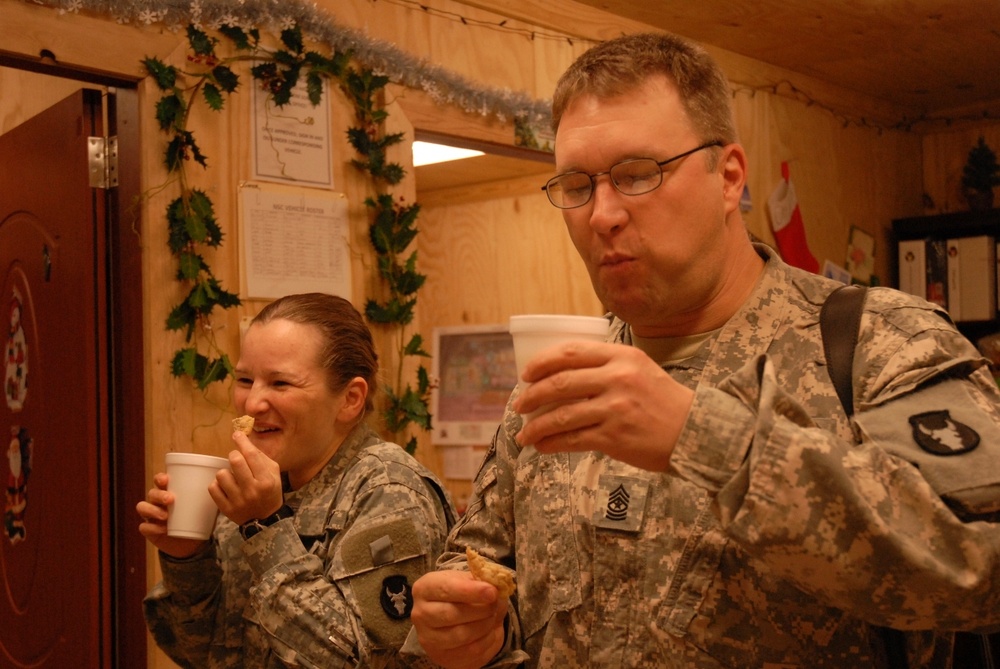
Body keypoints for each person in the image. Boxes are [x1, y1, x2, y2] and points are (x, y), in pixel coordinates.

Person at [403, 31, 1000, 668]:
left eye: (637, 175)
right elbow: (484, 579)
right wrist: (470, 637)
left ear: (729, 178)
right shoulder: (561, 377)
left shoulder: (879, 341)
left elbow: (983, 569)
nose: (602, 214)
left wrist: (705, 438)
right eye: (576, 185)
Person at [137, 293, 456, 668]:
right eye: (244, 379)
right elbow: (207, 652)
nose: (252, 403)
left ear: (350, 399)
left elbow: (361, 661)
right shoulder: (256, 485)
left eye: (281, 383)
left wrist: (266, 528)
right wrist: (187, 559)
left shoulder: (389, 490)